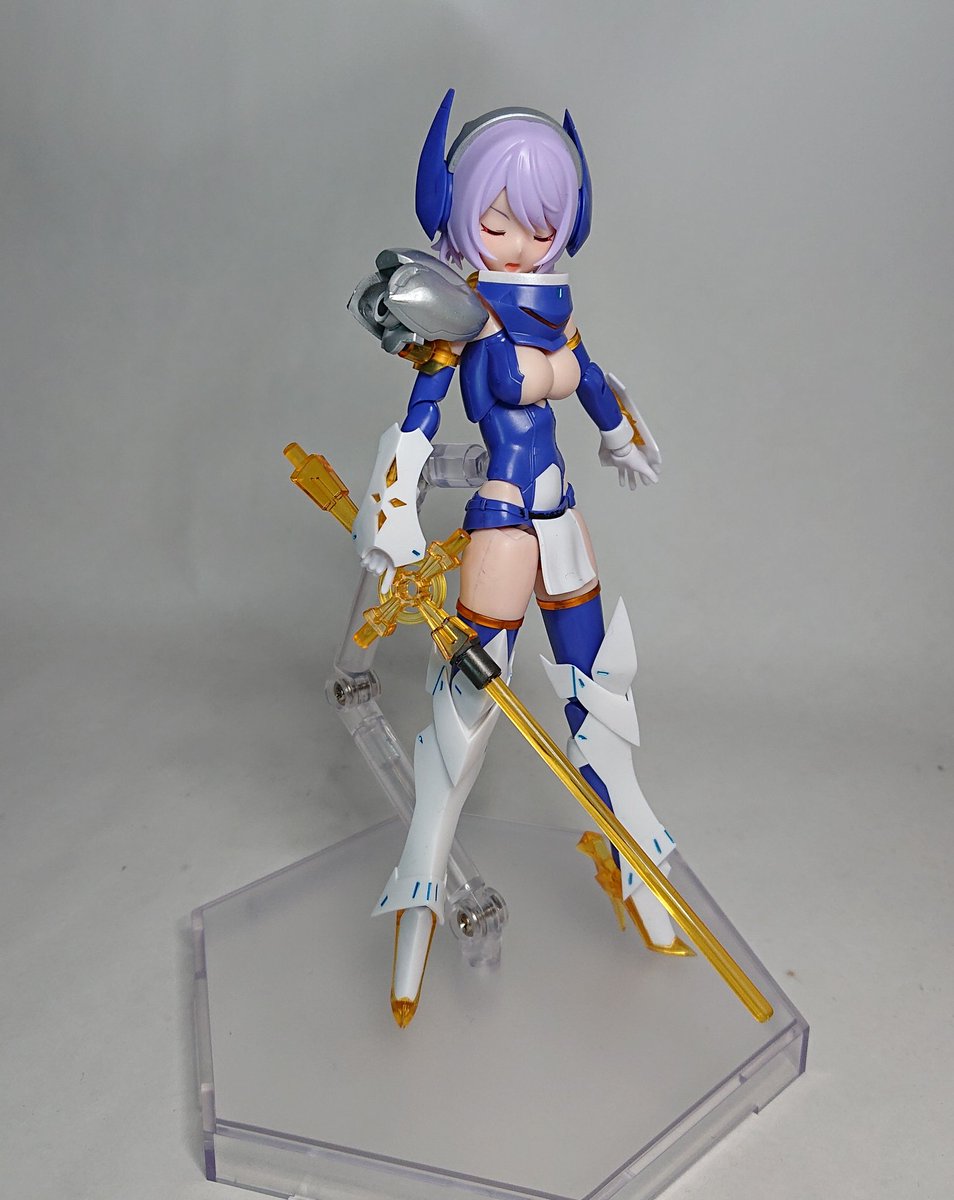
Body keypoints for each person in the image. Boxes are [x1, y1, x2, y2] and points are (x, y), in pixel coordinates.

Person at [350, 91, 689, 1027]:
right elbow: (417, 421)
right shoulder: (460, 318)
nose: (518, 242)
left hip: (561, 513)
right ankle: (420, 889)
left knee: (599, 699)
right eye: (498, 222)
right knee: (463, 718)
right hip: (503, 515)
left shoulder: (554, 312)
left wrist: (620, 432)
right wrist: (391, 507)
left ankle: (637, 869)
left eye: (539, 225)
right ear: (462, 214)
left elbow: (593, 382)